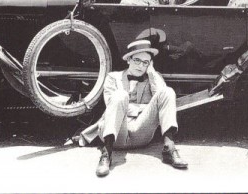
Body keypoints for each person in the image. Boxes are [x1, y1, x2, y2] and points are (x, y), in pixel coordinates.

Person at [76, 39, 188, 177]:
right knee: (120, 95)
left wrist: (152, 72)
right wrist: (142, 108)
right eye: (137, 60)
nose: (141, 66)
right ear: (128, 59)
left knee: (168, 92)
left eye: (145, 62)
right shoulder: (112, 77)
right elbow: (112, 106)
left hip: (141, 134)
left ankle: (169, 149)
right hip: (116, 133)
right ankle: (106, 155)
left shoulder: (153, 78)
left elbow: (163, 101)